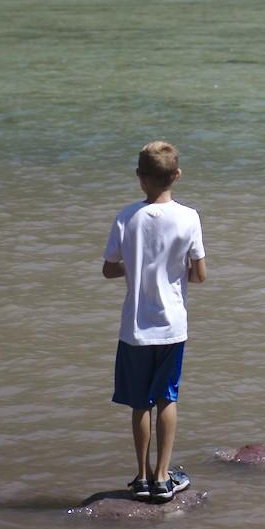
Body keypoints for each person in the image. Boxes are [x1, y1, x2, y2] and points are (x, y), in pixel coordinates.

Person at [102, 140, 207, 503]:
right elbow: (199, 275)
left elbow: (108, 269)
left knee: (139, 404)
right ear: (176, 175)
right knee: (167, 398)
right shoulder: (189, 216)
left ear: (139, 178)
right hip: (171, 325)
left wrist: (134, 264)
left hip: (134, 327)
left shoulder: (127, 216)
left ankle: (143, 476)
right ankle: (164, 477)